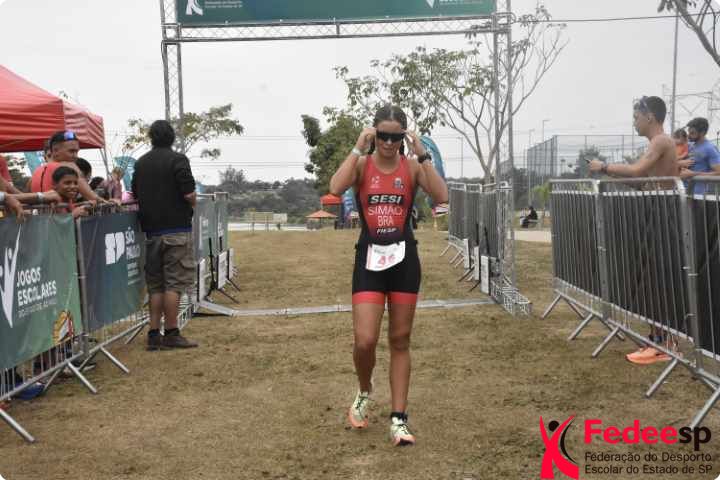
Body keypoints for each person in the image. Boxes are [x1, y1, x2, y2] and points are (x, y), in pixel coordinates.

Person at [329, 105, 448, 447]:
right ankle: (364, 390)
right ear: (373, 134)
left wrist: (423, 154)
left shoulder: (411, 166)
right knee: (365, 340)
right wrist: (357, 147)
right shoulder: (362, 164)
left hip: (404, 260)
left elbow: (442, 197)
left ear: (404, 137)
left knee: (400, 339)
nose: (389, 143)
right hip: (369, 259)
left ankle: (398, 419)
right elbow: (335, 187)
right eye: (383, 136)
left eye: (396, 137)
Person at [589, 95, 677, 365]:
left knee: (658, 281)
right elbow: (641, 181)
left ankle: (663, 343)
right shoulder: (657, 143)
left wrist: (604, 166)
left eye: (636, 117)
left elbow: (638, 170)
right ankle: (658, 339)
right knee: (652, 280)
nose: (634, 123)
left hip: (664, 214)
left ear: (650, 117)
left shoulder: (661, 141)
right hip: (657, 213)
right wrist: (611, 174)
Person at [131, 120, 198, 350]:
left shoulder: (141, 163)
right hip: (177, 231)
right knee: (174, 285)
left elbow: (135, 192)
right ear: (172, 137)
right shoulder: (178, 159)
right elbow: (188, 193)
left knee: (156, 285)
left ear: (151, 138)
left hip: (151, 232)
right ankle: (171, 332)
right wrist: (192, 202)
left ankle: (153, 334)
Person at [29, 131, 104, 204]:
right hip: (62, 212)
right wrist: (106, 201)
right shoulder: (68, 166)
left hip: (40, 212)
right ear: (55, 151)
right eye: (71, 151)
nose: (76, 156)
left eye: (77, 152)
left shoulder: (37, 171)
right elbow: (91, 197)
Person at [679, 117, 720, 193]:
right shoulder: (690, 146)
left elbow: (718, 173)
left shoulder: (710, 148)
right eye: (689, 132)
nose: (688, 135)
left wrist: (692, 174)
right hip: (687, 192)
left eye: (692, 133)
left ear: (702, 133)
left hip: (702, 195)